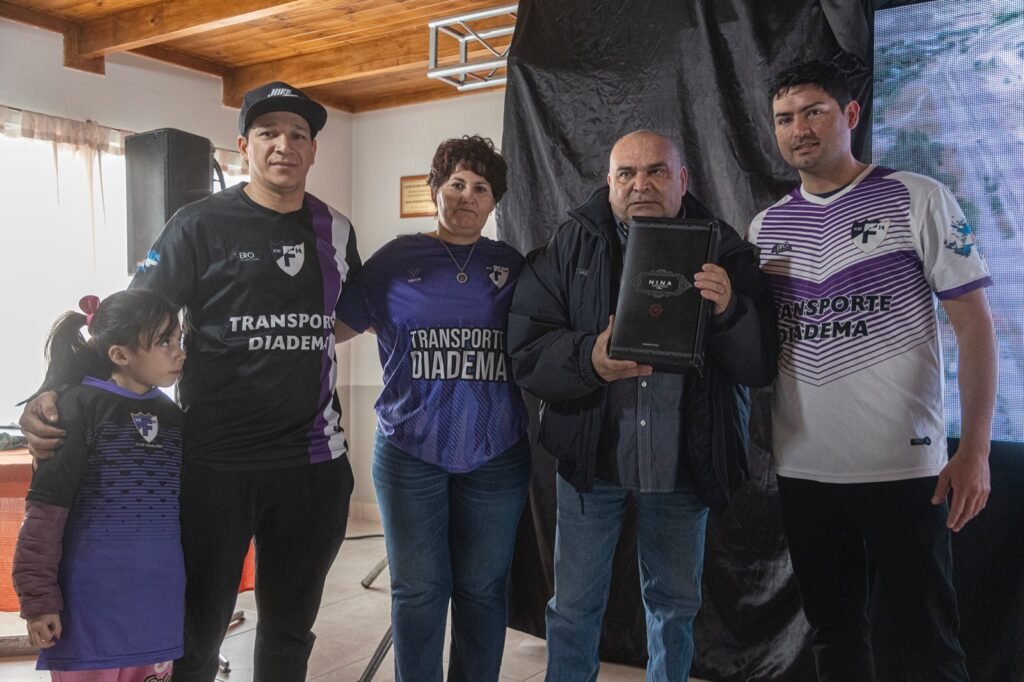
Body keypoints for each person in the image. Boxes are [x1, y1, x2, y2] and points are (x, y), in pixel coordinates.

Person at [19, 82, 361, 682]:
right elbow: (128, 321)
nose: (284, 145)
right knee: (196, 634)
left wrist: (295, 339)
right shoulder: (197, 224)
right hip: (214, 463)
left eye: (298, 135)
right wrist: (55, 385)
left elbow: (351, 313)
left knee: (289, 632)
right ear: (244, 146)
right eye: (268, 133)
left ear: (313, 150)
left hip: (312, 465)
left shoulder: (335, 227)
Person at [748, 59, 997, 681]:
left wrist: (975, 449)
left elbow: (975, 327)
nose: (799, 129)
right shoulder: (766, 227)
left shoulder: (918, 196)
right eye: (784, 118)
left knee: (928, 645)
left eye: (814, 112)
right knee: (834, 640)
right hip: (803, 468)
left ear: (851, 114)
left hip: (905, 470)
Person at [507, 129, 777, 681]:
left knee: (674, 610)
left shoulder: (725, 250)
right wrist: (589, 359)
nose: (641, 185)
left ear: (682, 179)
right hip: (592, 463)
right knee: (574, 609)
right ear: (608, 182)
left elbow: (760, 365)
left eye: (656, 171)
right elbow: (527, 350)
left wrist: (729, 311)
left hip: (683, 465)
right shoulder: (570, 246)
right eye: (626, 174)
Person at [335, 135, 530, 681]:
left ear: (494, 203)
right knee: (419, 591)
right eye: (457, 184)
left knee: (483, 591)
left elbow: (549, 338)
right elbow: (331, 328)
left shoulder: (512, 266)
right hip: (409, 450)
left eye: (481, 188)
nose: (468, 196)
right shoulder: (395, 260)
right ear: (435, 189)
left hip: (496, 453)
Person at [13, 290, 185, 682]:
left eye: (179, 340)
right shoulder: (77, 407)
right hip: (87, 614)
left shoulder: (173, 416)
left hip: (156, 611)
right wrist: (38, 601)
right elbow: (44, 514)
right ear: (120, 355)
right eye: (165, 342)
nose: (179, 352)